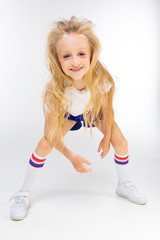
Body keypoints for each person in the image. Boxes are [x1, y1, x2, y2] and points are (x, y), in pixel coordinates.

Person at [9, 16, 147, 221]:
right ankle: (23, 193)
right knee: (43, 145)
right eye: (66, 56)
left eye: (81, 53)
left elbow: (107, 110)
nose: (75, 61)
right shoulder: (55, 90)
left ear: (92, 54)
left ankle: (124, 184)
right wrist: (71, 156)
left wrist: (107, 137)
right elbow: (49, 133)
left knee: (122, 142)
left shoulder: (103, 79)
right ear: (57, 59)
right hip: (70, 116)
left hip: (94, 113)